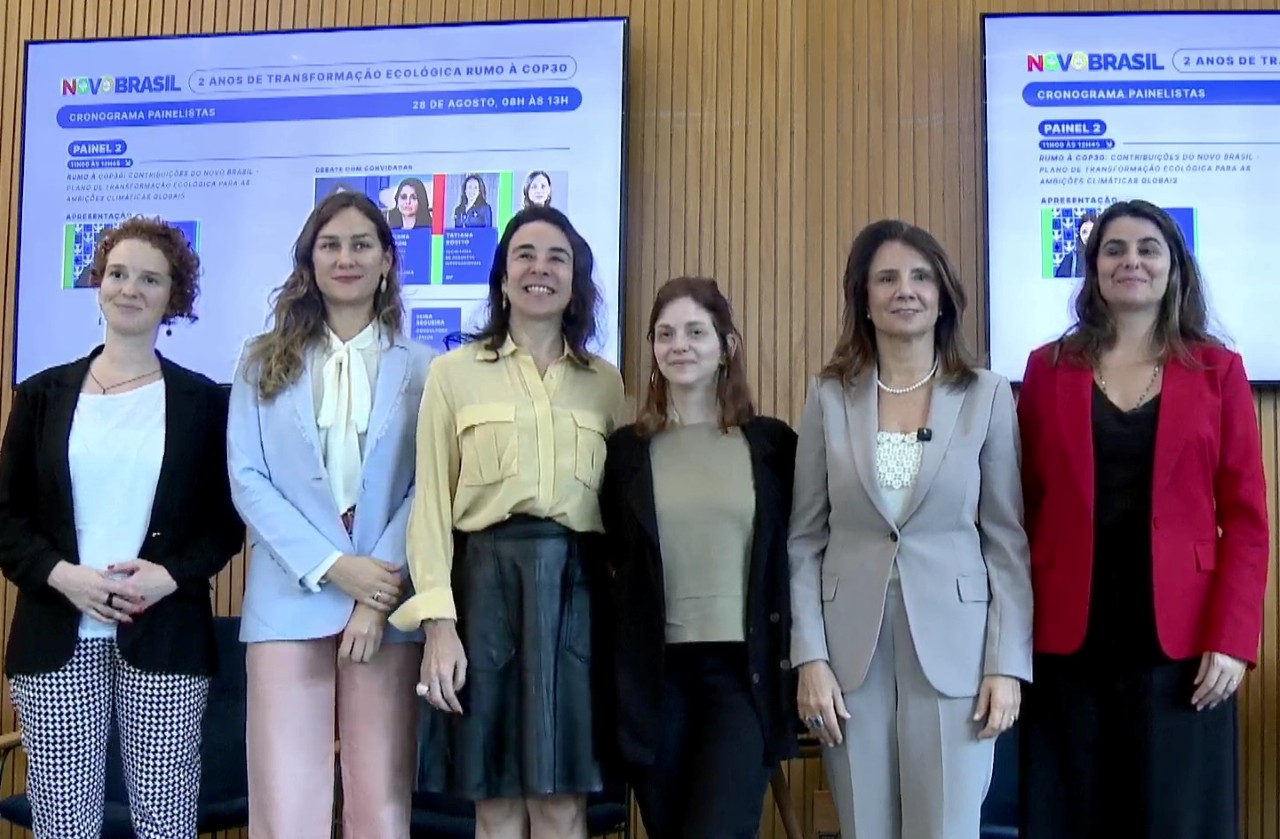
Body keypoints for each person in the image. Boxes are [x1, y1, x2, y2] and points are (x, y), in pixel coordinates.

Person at [1016, 199, 1269, 839]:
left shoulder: (1219, 371)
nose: (1132, 260)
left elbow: (1246, 520)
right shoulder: (1046, 371)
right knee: (1071, 818)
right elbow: (1017, 508)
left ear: (1173, 266)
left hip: (1183, 651)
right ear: (1094, 269)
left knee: (1177, 822)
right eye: (1114, 249)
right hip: (1067, 642)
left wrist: (1235, 639)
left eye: (1148, 248)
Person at [789, 219, 1033, 838]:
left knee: (946, 829)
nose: (906, 290)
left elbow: (1005, 541)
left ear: (944, 294)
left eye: (921, 277)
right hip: (849, 659)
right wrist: (810, 657)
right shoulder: (829, 396)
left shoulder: (986, 394)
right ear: (864, 299)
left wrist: (1006, 664)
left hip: (957, 654)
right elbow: (804, 540)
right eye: (887, 278)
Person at [0, 216, 243, 839]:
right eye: (117, 274)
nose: (129, 288)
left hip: (165, 633)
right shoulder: (42, 394)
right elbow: (6, 517)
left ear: (174, 297)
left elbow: (223, 523)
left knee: (165, 823)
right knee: (64, 827)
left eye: (149, 279)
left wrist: (171, 576)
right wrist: (64, 578)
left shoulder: (203, 402)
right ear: (99, 283)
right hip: (57, 634)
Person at [390, 204, 625, 839]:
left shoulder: (607, 384)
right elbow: (431, 506)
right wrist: (440, 625)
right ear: (501, 276)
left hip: (578, 599)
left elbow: (626, 515)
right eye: (524, 255)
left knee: (561, 803)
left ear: (575, 282)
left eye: (558, 258)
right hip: (482, 593)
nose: (540, 269)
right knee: (493, 800)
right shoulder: (452, 374)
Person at [227, 191, 436, 838]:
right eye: (330, 245)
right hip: (287, 599)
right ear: (309, 261)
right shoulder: (261, 360)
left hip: (386, 603)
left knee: (381, 801)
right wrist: (332, 566)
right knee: (287, 804)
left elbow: (427, 487)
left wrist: (375, 594)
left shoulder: (426, 367)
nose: (345, 258)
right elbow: (249, 479)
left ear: (387, 260)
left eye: (361, 244)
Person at [599, 277, 798, 838]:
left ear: (725, 346)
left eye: (695, 331)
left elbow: (798, 554)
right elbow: (616, 558)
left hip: (743, 674)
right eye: (665, 334)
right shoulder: (626, 453)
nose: (679, 345)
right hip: (655, 679)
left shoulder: (772, 445)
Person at [1054, 212, 1096, 279]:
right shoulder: (1070, 259)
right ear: (1079, 234)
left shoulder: (1107, 259)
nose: (1088, 236)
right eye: (1084, 232)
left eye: (1092, 232)